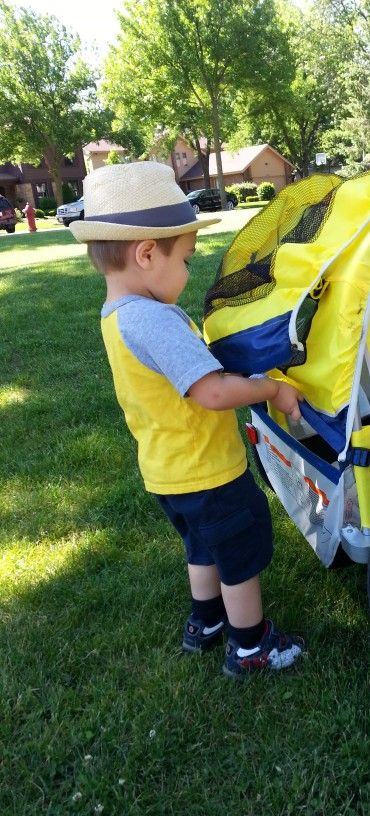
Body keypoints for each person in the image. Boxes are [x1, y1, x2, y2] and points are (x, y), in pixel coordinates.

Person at [70, 162, 305, 678]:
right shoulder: (154, 320)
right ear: (147, 254)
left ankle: (206, 621)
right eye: (187, 260)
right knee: (238, 558)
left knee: (202, 545)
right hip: (210, 472)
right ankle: (251, 645)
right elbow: (213, 391)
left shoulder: (117, 313)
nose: (190, 272)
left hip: (167, 473)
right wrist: (273, 389)